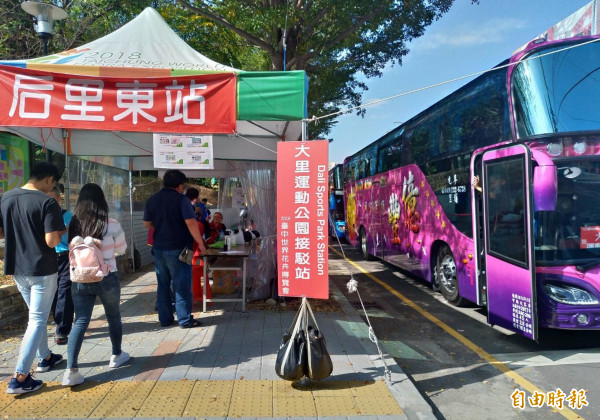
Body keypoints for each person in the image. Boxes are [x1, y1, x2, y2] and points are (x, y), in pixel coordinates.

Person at [0, 162, 66, 394]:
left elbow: (1, 232)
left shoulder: (6, 197)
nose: (53, 188)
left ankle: (45, 357)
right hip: (42, 268)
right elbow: (52, 242)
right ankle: (20, 377)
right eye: (54, 184)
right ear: (49, 180)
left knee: (35, 318)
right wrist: (60, 231)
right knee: (37, 320)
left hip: (17, 267)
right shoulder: (48, 201)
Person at [62, 183, 129, 386]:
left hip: (80, 278)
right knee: (113, 316)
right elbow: (122, 250)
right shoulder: (112, 224)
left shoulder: (73, 223)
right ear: (102, 201)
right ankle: (116, 355)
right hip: (106, 276)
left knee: (80, 321)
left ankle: (71, 370)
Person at [143, 170, 206, 328]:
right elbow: (191, 223)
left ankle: (165, 319)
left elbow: (146, 224)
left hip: (158, 248)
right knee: (182, 283)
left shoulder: (152, 200)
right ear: (179, 185)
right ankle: (185, 319)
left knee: (163, 284)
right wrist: (201, 244)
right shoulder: (182, 200)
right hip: (181, 249)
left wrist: (161, 227)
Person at [48, 185, 74, 345]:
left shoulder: (67, 215)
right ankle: (59, 321)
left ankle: (62, 329)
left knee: (64, 291)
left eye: (52, 199)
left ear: (59, 198)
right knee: (52, 293)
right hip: (47, 258)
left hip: (65, 257)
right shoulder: (42, 215)